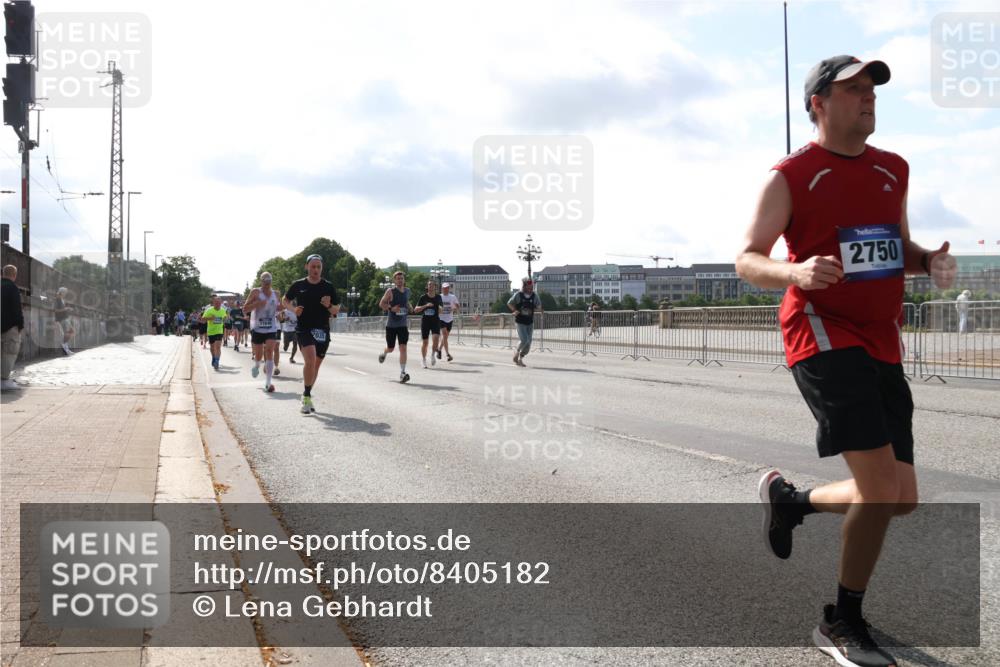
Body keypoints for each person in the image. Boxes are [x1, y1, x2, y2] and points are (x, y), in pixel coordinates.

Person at [735, 55, 956, 667]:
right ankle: (841, 620)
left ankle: (792, 501)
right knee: (881, 489)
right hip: (822, 332)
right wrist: (795, 270)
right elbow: (747, 259)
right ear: (818, 105)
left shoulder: (893, 169)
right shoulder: (791, 174)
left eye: (871, 89)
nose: (867, 98)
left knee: (900, 495)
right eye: (852, 89)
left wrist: (926, 262)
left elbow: (896, 247)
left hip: (882, 337)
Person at [283, 254, 339, 413]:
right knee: (310, 359)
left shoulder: (328, 286)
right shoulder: (298, 284)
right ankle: (307, 397)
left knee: (315, 365)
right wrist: (293, 309)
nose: (316, 270)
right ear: (306, 267)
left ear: (322, 268)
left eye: (318, 267)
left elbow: (336, 310)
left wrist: (329, 306)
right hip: (304, 328)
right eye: (313, 266)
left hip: (322, 329)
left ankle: (306, 393)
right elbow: (285, 300)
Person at [245, 273, 281, 392]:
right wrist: (257, 304)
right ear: (261, 282)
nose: (267, 285)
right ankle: (256, 366)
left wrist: (283, 310)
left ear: (271, 282)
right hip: (257, 327)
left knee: (270, 350)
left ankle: (268, 382)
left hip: (271, 327)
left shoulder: (276, 293)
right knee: (259, 355)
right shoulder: (255, 292)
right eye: (265, 282)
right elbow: (245, 309)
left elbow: (278, 308)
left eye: (269, 282)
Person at [378, 271, 411, 383]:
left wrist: (410, 307)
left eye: (401, 278)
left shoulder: (407, 291)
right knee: (391, 348)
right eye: (398, 278)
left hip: (402, 325)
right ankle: (385, 352)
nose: (400, 280)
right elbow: (381, 304)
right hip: (391, 325)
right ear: (394, 280)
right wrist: (391, 308)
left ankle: (402, 373)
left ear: (404, 280)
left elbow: (406, 302)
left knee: (403, 348)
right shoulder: (390, 291)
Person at [508, 278, 542, 367]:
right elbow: (509, 303)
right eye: (529, 287)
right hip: (520, 321)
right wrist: (515, 310)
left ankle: (520, 359)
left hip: (530, 322)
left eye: (532, 287)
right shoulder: (518, 295)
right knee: (524, 340)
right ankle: (517, 351)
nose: (531, 289)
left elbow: (538, 306)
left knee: (529, 342)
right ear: (524, 286)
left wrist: (538, 309)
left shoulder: (535, 296)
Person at [1, 265, 24, 391]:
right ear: (14, 275)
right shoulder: (12, 288)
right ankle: (3, 380)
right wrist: (20, 325)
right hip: (10, 327)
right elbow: (17, 309)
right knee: (9, 352)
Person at [416, 280, 443, 369]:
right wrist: (426, 306)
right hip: (425, 322)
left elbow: (441, 309)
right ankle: (423, 360)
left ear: (435, 287)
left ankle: (432, 355)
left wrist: (440, 309)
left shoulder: (438, 297)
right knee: (425, 342)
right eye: (429, 285)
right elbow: (416, 310)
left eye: (432, 285)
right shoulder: (423, 297)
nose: (431, 286)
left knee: (436, 339)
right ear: (427, 287)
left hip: (435, 321)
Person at [200, 295, 228, 370]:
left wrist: (225, 319)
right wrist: (210, 318)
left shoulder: (223, 310)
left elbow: (225, 318)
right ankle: (213, 357)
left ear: (221, 303)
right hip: (211, 331)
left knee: (218, 346)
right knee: (212, 348)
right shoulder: (209, 310)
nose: (218, 304)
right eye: (216, 302)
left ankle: (217, 361)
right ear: (213, 303)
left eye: (219, 302)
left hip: (219, 331)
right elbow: (202, 320)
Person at [439, 282, 460, 362]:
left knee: (445, 337)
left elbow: (458, 306)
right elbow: (436, 306)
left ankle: (439, 350)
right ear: (442, 289)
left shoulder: (452, 297)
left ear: (449, 288)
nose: (446, 289)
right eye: (444, 288)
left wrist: (454, 308)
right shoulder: (439, 297)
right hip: (441, 318)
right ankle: (448, 354)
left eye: (447, 288)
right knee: (444, 335)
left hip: (450, 319)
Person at [54, 287, 74, 354]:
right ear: (61, 292)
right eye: (65, 292)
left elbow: (63, 309)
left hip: (65, 318)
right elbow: (56, 310)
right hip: (61, 319)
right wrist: (66, 309)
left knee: (69, 332)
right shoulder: (57, 299)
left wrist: (68, 309)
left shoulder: (62, 299)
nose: (66, 294)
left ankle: (66, 348)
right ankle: (65, 346)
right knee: (70, 332)